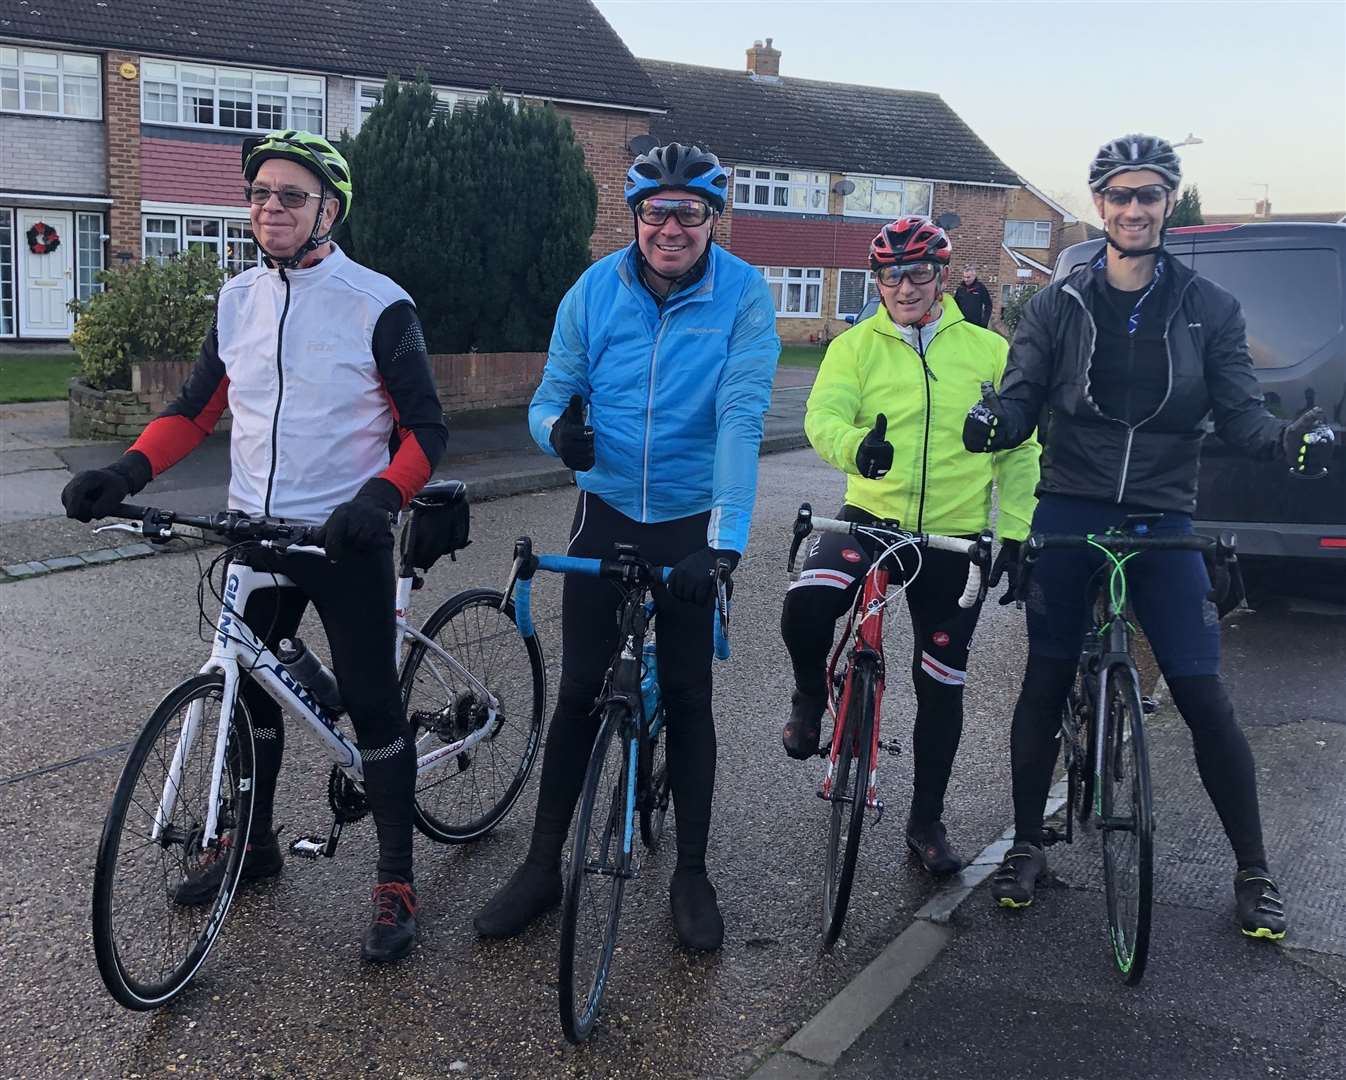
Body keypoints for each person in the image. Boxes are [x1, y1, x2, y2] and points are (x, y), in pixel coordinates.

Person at [61, 130, 447, 963]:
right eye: (260, 194)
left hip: (342, 539)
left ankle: (395, 877)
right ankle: (254, 842)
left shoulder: (378, 302)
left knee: (375, 709)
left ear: (328, 210)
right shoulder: (238, 298)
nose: (270, 208)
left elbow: (426, 429)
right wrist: (125, 473)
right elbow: (195, 412)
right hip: (254, 531)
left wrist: (381, 498)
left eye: (290, 197)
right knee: (250, 693)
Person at [963, 133, 1335, 938]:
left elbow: (1239, 414)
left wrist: (1285, 440)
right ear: (1099, 206)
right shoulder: (1057, 304)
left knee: (1203, 694)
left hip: (1163, 513)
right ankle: (1028, 844)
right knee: (1044, 679)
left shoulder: (1210, 310)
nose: (1135, 209)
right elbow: (1024, 400)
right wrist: (993, 422)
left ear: (1169, 203)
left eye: (1150, 195)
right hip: (1069, 508)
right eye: (1120, 195)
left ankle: (1254, 871)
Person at [472, 142, 780, 951]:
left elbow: (742, 419)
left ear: (713, 218)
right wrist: (558, 435)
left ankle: (691, 872)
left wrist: (724, 545)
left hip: (689, 519)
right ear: (635, 216)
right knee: (578, 692)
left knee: (686, 694)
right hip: (605, 510)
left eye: (689, 212)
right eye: (656, 211)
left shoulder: (744, 294)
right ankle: (542, 867)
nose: (671, 227)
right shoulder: (593, 289)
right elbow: (549, 399)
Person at [780, 216, 1040, 876]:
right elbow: (824, 415)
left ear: (942, 277)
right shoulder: (856, 346)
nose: (904, 286)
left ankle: (925, 824)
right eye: (890, 275)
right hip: (871, 518)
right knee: (805, 606)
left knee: (941, 684)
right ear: (877, 281)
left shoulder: (987, 352)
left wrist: (1014, 531)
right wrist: (853, 449)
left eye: (918, 272)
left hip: (953, 536)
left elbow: (1020, 447)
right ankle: (812, 693)